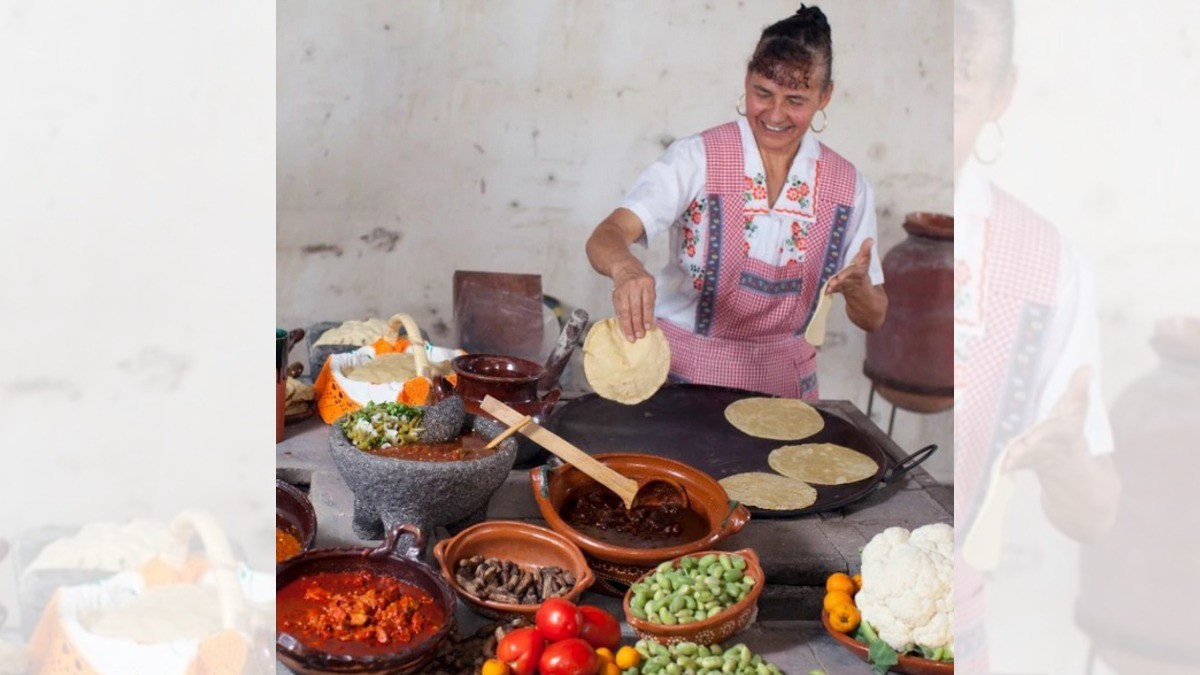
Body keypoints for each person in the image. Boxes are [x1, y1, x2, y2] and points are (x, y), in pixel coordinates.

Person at [585, 4, 886, 400]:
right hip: (680, 378)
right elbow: (605, 236)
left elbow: (874, 316)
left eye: (795, 100)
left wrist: (859, 287)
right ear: (746, 80)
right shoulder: (697, 158)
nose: (775, 113)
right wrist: (624, 267)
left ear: (824, 96)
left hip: (785, 391)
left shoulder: (848, 187)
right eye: (763, 93)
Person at [953, 0, 1121, 672]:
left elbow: (1096, 514)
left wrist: (1063, 453)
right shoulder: (858, 204)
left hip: (953, 638)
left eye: (960, 96)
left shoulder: (1046, 264)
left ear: (1002, 95)